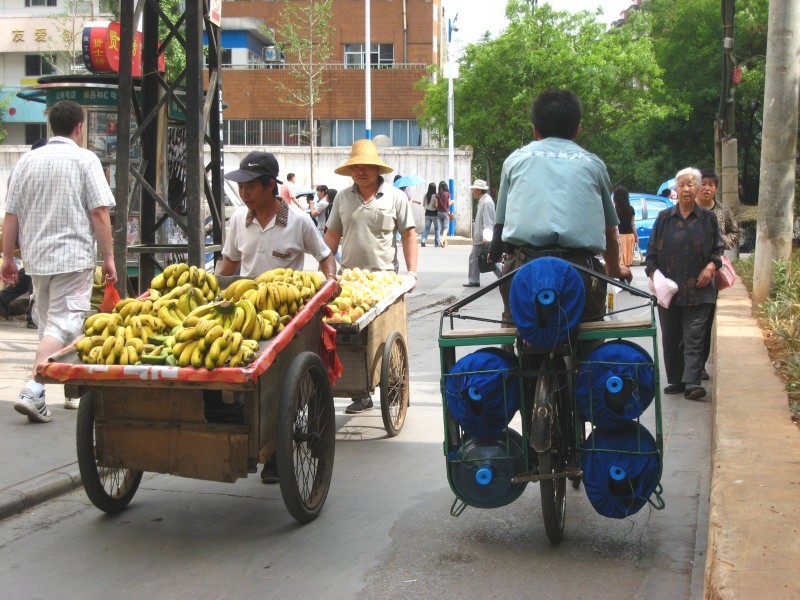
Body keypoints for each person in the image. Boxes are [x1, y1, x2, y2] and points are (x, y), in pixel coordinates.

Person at [1, 100, 117, 422]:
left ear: (52, 126)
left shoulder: (27, 162)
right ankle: (33, 387)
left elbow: (11, 215)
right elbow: (99, 212)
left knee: (48, 324)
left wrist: (8, 258)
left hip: (37, 260)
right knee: (65, 325)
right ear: (80, 128)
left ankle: (44, 395)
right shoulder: (85, 159)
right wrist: (108, 258)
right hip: (73, 258)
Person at [489, 89, 629, 328]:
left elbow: (500, 228)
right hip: (582, 273)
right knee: (591, 341)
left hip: (524, 270)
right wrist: (616, 269)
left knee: (514, 328)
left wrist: (493, 254)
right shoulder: (593, 164)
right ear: (577, 129)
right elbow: (609, 232)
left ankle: (515, 353)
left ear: (535, 129)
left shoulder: (514, 161)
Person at [324, 139, 418, 414]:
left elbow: (409, 234)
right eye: (356, 167)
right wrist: (325, 271)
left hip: (385, 280)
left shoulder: (396, 197)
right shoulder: (342, 197)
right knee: (349, 337)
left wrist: (412, 273)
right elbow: (331, 237)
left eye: (367, 166)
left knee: (387, 334)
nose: (361, 171)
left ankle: (397, 385)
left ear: (378, 169)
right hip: (350, 280)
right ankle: (360, 392)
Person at [644, 167, 724, 400]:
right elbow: (651, 255)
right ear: (675, 190)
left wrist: (710, 267)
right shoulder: (664, 218)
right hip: (669, 290)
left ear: (698, 188)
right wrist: (654, 276)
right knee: (671, 336)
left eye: (690, 184)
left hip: (699, 289)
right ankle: (677, 380)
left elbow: (718, 251)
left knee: (695, 335)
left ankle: (692, 382)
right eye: (681, 185)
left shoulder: (708, 218)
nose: (686, 189)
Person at [217, 152, 336, 279]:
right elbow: (231, 260)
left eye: (250, 187)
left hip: (286, 296)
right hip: (247, 297)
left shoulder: (300, 221)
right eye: (240, 187)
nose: (244, 193)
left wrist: (331, 278)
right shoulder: (238, 218)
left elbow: (325, 257)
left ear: (270, 185)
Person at [696, 168, 740, 381]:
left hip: (713, 271)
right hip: (687, 271)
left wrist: (722, 243)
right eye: (703, 183)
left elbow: (735, 232)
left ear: (716, 189)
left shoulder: (722, 211)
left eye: (711, 185)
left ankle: (700, 366)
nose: (707, 188)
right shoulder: (688, 209)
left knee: (705, 321)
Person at [464, 179, 498, 287]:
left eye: (474, 189)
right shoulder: (483, 201)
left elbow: (488, 221)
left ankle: (474, 280)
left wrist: (486, 237)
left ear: (478, 190)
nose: (473, 191)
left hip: (482, 238)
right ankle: (475, 279)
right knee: (487, 259)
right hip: (480, 237)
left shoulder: (486, 202)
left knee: (479, 258)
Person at [613, 186, 639, 268]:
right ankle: (625, 278)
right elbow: (632, 225)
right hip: (629, 237)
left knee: (618, 261)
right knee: (627, 263)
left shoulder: (614, 209)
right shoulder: (631, 209)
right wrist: (636, 237)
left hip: (618, 237)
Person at [421, 182, 439, 247]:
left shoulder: (425, 195)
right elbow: (436, 206)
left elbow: (424, 205)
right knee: (437, 228)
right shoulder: (436, 196)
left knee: (426, 228)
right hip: (435, 214)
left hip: (427, 214)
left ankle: (423, 240)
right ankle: (437, 242)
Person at [436, 181, 451, 247]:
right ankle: (442, 240)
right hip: (446, 213)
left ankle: (445, 242)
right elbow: (449, 203)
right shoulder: (448, 194)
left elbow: (436, 205)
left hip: (439, 213)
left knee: (442, 228)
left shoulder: (437, 195)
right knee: (446, 228)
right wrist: (452, 202)